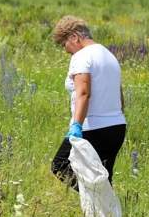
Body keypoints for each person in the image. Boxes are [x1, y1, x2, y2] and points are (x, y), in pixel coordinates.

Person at [50, 15, 127, 190]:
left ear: (74, 37)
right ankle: (106, 214)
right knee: (104, 177)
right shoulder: (109, 55)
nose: (66, 50)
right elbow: (120, 96)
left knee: (60, 165)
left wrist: (76, 126)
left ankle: (96, 196)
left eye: (64, 44)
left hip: (92, 128)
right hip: (117, 127)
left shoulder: (82, 56)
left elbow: (83, 93)